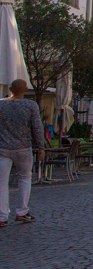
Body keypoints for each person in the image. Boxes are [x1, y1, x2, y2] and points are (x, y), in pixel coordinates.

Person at [0, 79, 44, 227]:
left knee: (1, 183)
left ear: (11, 89)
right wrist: (41, 147)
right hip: (23, 148)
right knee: (25, 178)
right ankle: (22, 212)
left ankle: (2, 216)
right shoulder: (30, 105)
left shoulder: (1, 104)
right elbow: (37, 127)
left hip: (3, 148)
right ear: (25, 90)